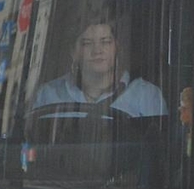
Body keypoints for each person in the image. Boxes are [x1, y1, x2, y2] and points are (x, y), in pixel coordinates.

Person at [33, 18, 165, 118]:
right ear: (73, 52)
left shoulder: (146, 95)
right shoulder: (47, 94)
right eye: (87, 43)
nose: (97, 50)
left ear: (117, 48)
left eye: (106, 42)